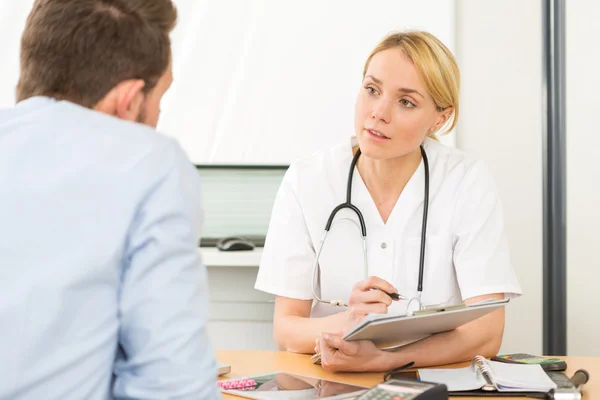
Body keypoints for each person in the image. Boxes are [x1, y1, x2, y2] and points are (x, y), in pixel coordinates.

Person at [255, 31, 522, 372]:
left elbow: (486, 331)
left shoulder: (465, 180)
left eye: (406, 102)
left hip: (430, 383)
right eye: (372, 90)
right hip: (330, 383)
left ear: (440, 118)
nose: (378, 113)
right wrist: (348, 321)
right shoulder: (308, 179)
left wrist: (385, 361)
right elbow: (287, 329)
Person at [0, 0, 218, 398]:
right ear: (129, 99)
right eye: (159, 96)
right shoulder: (149, 162)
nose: (157, 113)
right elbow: (171, 384)